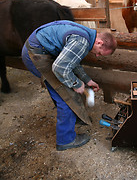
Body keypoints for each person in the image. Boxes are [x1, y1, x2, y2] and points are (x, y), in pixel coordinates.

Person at [22, 20, 117, 151]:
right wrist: (76, 84)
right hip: (35, 54)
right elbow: (60, 67)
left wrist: (87, 80)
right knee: (65, 95)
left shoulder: (87, 36)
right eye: (99, 52)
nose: (96, 55)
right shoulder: (82, 42)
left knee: (64, 88)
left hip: (41, 49)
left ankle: (73, 119)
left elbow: (72, 59)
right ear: (100, 42)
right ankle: (65, 139)